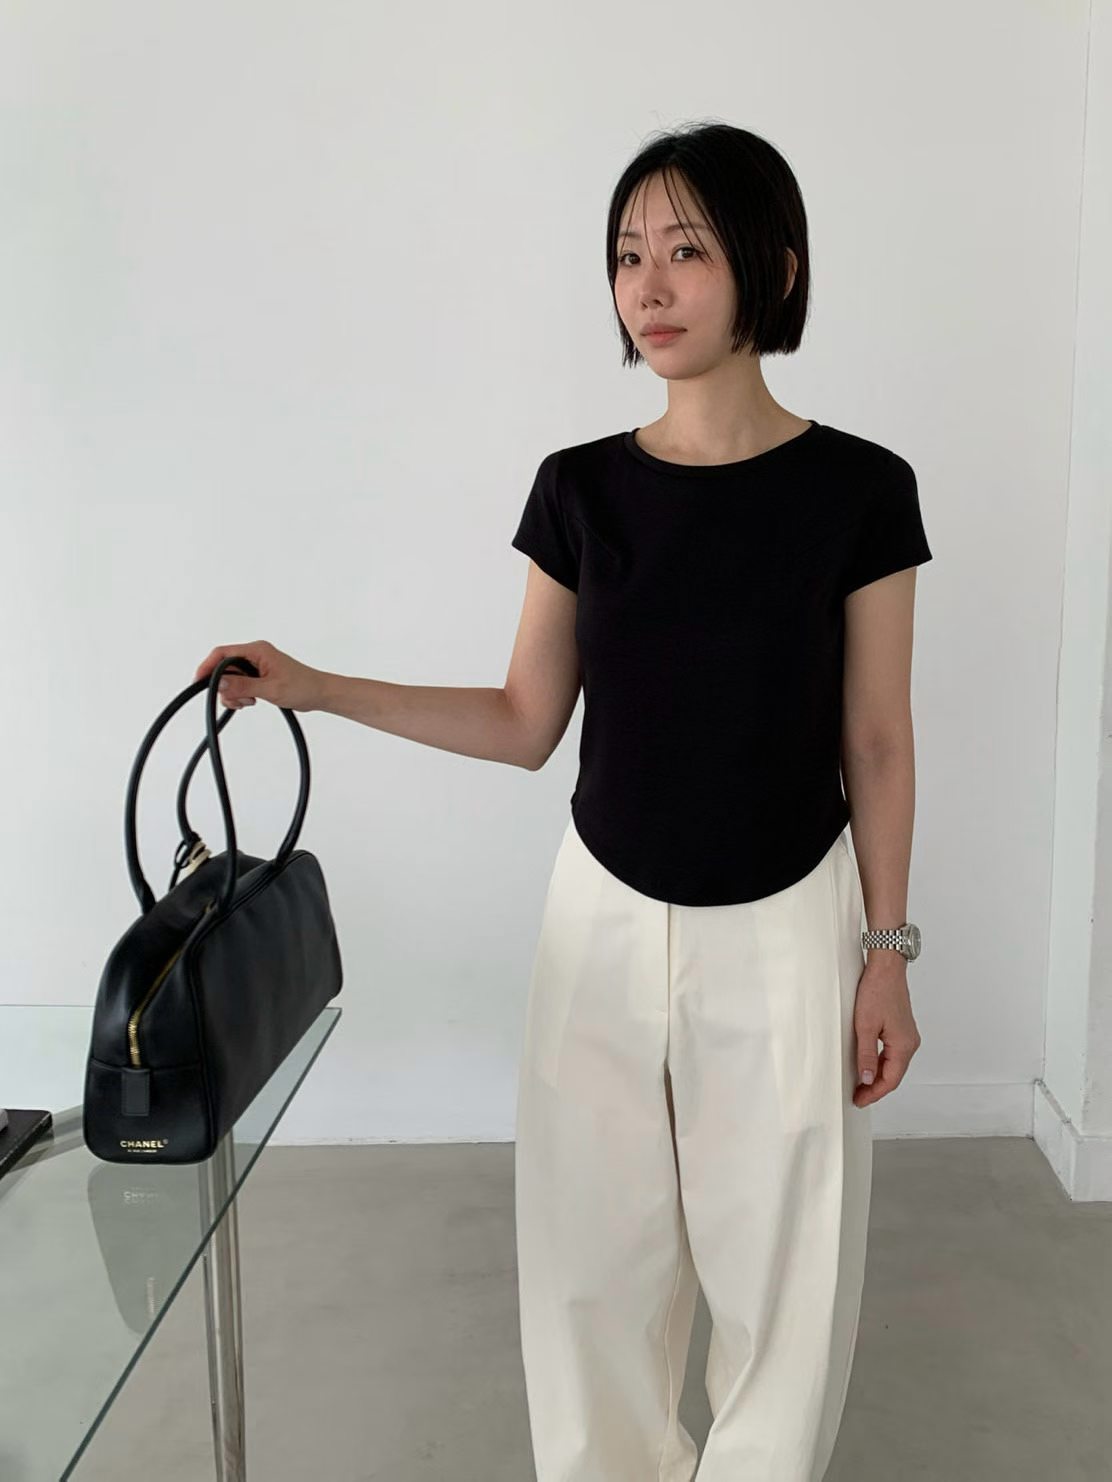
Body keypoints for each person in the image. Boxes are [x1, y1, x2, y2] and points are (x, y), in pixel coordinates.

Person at [197, 120, 932, 1482]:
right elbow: (525, 720)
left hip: (790, 922)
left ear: (772, 267)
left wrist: (885, 954)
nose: (648, 286)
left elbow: (877, 743)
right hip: (601, 919)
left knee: (790, 1278)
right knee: (593, 1273)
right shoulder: (580, 489)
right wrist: (315, 686)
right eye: (627, 255)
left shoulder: (861, 492)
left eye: (687, 251)